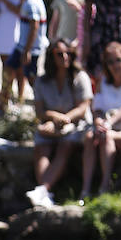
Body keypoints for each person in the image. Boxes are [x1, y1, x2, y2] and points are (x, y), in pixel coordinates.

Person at [26, 41, 93, 206]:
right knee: (42, 148)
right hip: (50, 124)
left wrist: (64, 120)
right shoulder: (42, 81)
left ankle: (42, 190)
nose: (65, 57)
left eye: (68, 54)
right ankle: (45, 194)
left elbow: (83, 107)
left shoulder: (79, 77)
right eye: (60, 54)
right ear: (51, 57)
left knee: (65, 145)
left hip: (76, 125)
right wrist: (54, 118)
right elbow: (40, 111)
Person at [80, 40, 121, 199]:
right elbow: (97, 107)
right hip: (107, 128)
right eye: (110, 62)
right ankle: (86, 188)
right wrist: (99, 122)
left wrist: (109, 123)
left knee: (106, 136)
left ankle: (105, 184)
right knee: (90, 136)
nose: (115, 65)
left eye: (118, 60)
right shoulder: (103, 80)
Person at [0, 0, 47, 111]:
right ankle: (3, 103)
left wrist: (27, 50)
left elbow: (34, 27)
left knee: (31, 77)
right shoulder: (33, 0)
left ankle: (44, 104)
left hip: (28, 48)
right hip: (23, 47)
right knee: (9, 68)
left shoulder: (32, 3)